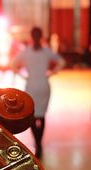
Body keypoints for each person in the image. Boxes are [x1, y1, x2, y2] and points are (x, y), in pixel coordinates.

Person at [12, 27, 66, 158]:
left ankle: (36, 143)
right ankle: (39, 143)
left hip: (31, 85)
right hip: (43, 85)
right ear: (41, 36)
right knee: (42, 116)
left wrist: (22, 75)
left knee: (31, 116)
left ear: (31, 36)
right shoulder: (46, 51)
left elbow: (13, 64)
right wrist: (51, 73)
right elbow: (62, 61)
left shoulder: (26, 52)